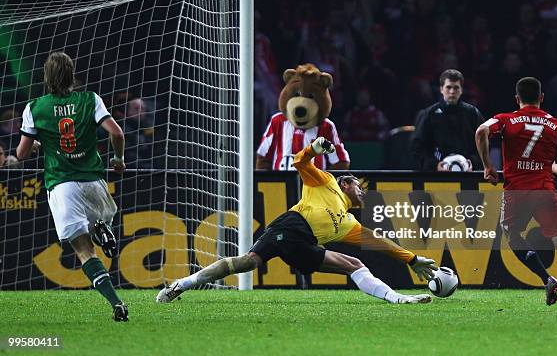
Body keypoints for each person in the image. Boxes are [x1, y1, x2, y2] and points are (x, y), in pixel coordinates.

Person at [158, 137, 437, 305]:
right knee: (249, 262)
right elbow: (301, 162)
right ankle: (181, 285)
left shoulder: (348, 223)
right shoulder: (326, 182)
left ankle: (398, 298)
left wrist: (412, 260)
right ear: (345, 182)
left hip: (305, 245)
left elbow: (380, 242)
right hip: (290, 227)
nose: (361, 191)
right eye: (357, 185)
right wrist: (315, 148)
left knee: (355, 265)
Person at [16, 52, 129, 321]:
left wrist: (39, 145)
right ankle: (102, 228)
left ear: (46, 77)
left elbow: (21, 154)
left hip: (63, 185)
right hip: (93, 181)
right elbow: (116, 133)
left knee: (83, 250)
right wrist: (118, 159)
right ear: (71, 74)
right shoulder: (90, 99)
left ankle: (117, 304)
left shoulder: (34, 108)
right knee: (99, 223)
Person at [475, 76, 557, 312]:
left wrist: (487, 166)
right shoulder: (556, 125)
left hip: (517, 192)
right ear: (541, 98)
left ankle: (547, 279)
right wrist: (548, 167)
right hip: (545, 191)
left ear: (517, 98)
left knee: (513, 234)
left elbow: (481, 130)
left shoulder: (506, 119)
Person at [408, 69, 484, 171]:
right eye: (448, 87)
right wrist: (434, 165)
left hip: (468, 175)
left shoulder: (473, 113)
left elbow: (484, 143)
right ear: (441, 89)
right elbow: (416, 147)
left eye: (456, 88)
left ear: (461, 90)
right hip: (437, 177)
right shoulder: (429, 114)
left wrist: (473, 162)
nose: (452, 92)